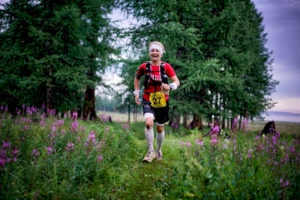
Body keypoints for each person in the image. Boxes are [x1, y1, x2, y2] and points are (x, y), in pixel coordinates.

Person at [133, 41, 180, 162]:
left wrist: (170, 86)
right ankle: (150, 150)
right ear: (150, 53)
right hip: (148, 99)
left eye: (157, 51)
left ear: (161, 53)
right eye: (152, 50)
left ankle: (159, 150)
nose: (154, 53)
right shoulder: (144, 67)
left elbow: (176, 81)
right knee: (148, 123)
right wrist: (137, 92)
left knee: (160, 128)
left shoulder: (166, 67)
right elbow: (137, 78)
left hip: (162, 101)